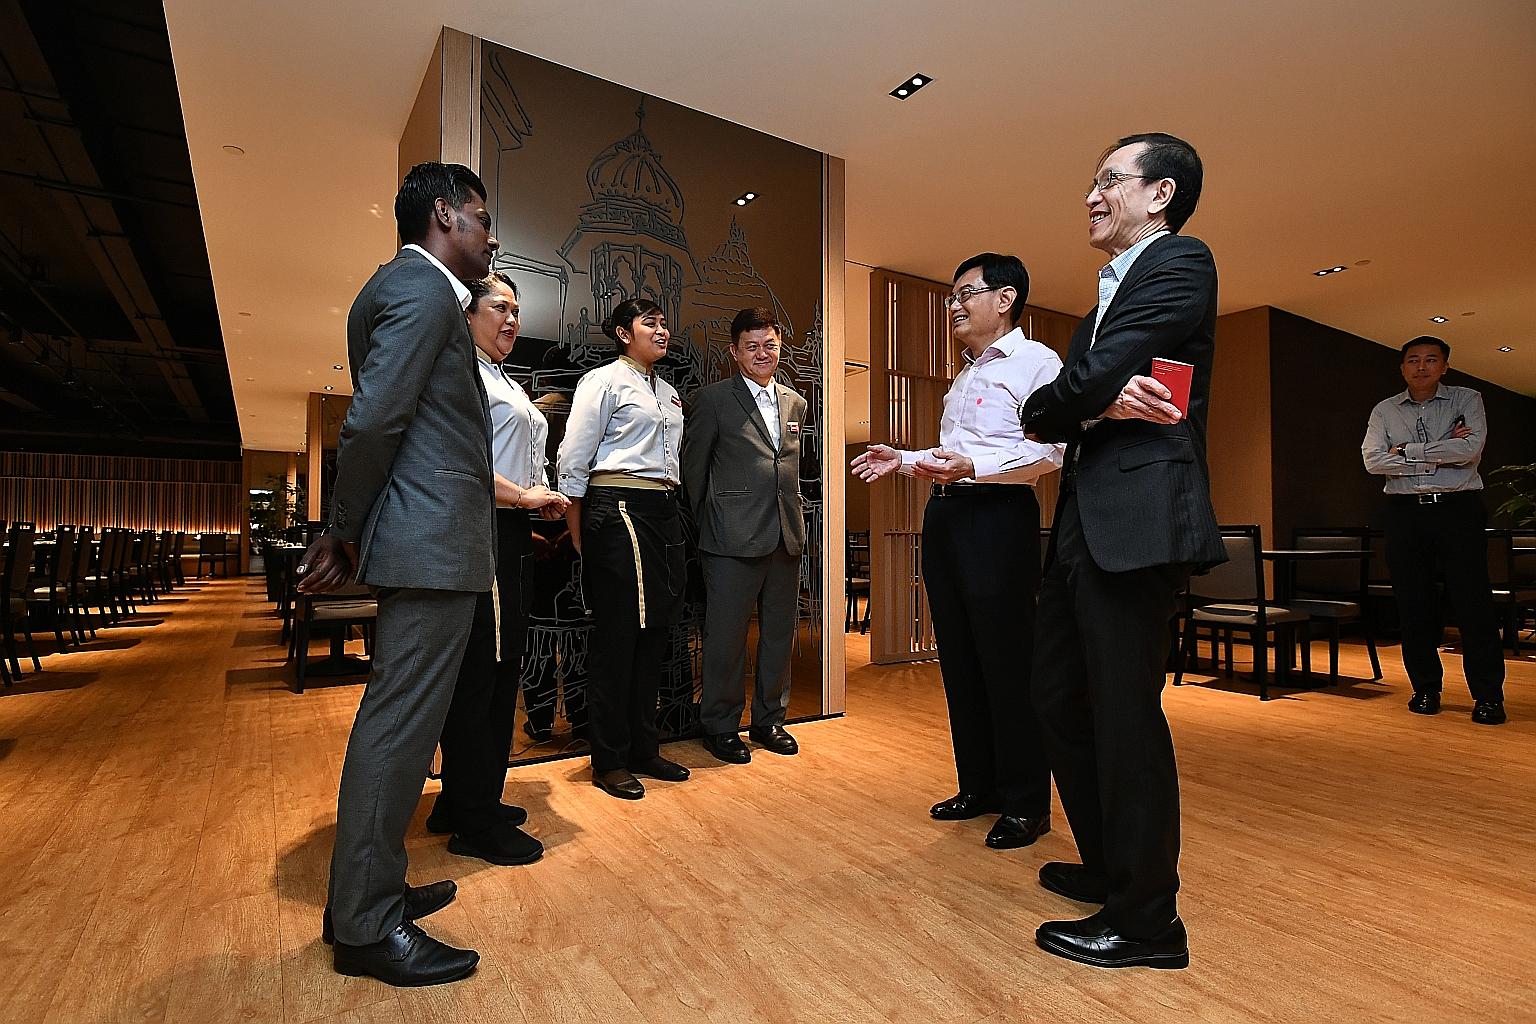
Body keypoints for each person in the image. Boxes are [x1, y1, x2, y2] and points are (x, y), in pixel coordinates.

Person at [1018, 133, 1224, 970]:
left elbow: (1076, 385)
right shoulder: (1101, 296)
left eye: (1108, 181)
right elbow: (1047, 410)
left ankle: (1147, 922)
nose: (1091, 196)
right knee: (1059, 698)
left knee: (1126, 714)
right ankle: (1109, 865)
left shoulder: (1181, 263)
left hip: (1138, 521)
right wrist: (1096, 406)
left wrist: (1082, 398)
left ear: (1159, 193)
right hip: (1081, 520)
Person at [296, 161, 498, 986]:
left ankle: (367, 894)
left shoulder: (403, 291)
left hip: (427, 538)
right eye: (482, 218)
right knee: (397, 727)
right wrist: (340, 529)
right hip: (428, 541)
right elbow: (375, 419)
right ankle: (367, 928)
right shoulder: (420, 292)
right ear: (445, 214)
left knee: (405, 723)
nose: (490, 235)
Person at [850, 254, 1063, 849]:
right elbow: (954, 455)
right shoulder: (965, 375)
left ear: (1006, 298)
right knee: (961, 660)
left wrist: (978, 466)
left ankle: (1026, 802)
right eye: (951, 297)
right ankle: (980, 787)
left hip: (1000, 519)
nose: (954, 306)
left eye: (966, 294)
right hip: (947, 516)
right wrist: (908, 459)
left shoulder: (1037, 363)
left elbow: (1052, 453)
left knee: (1007, 663)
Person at [430, 271, 569, 865]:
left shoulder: (497, 374)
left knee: (494, 668)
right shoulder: (460, 370)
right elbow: (456, 462)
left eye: (518, 309)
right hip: (481, 527)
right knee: (483, 676)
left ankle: (463, 798)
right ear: (468, 313)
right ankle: (474, 819)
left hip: (508, 531)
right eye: (500, 307)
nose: (512, 319)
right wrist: (524, 498)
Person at [556, 297, 690, 800]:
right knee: (618, 636)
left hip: (661, 507)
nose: (661, 330)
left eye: (663, 323)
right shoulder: (604, 380)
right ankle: (608, 759)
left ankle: (644, 748)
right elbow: (574, 456)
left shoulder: (671, 393)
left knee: (655, 632)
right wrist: (578, 526)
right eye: (649, 323)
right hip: (615, 506)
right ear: (621, 332)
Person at [683, 307, 809, 764]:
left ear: (780, 347)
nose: (762, 353)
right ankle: (719, 724)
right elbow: (693, 472)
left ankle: (769, 720)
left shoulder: (796, 403)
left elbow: (788, 468)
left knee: (779, 634)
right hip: (728, 539)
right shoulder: (712, 399)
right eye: (752, 346)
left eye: (770, 344)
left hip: (784, 535)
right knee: (726, 637)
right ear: (735, 352)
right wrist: (710, 523)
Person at [1362, 337, 1506, 725]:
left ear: (1444, 366)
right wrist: (1440, 449)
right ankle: (1426, 688)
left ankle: (1489, 696)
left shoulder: (1466, 399)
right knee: (1413, 605)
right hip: (1405, 513)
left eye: (1431, 360)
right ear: (1402, 367)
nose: (1421, 366)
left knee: (1472, 604)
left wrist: (1405, 451)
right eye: (1413, 360)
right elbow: (1374, 462)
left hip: (1458, 511)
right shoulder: (1385, 410)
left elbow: (1470, 451)